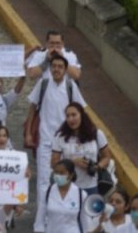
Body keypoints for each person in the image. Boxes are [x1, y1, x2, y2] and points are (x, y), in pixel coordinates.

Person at [25, 53, 87, 232]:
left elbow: (80, 111)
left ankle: (66, 219)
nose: (57, 69)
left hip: (66, 143)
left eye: (60, 66)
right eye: (54, 66)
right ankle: (40, 223)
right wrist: (29, 132)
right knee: (44, 182)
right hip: (45, 141)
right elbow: (32, 107)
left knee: (68, 179)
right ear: (50, 68)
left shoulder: (70, 86)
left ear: (65, 68)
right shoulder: (43, 84)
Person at [51, 102, 112, 196]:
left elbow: (107, 157)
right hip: (68, 186)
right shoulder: (60, 137)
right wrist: (72, 162)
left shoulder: (97, 134)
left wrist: (95, 167)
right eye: (68, 116)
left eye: (74, 115)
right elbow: (54, 163)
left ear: (82, 115)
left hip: (91, 186)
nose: (71, 119)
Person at [41, 159, 93, 233]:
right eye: (56, 172)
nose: (58, 176)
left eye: (62, 173)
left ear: (71, 175)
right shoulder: (47, 192)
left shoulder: (81, 194)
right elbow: (40, 220)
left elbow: (87, 223)